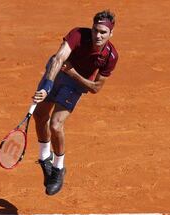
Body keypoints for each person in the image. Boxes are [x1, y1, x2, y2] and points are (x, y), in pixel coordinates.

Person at [32, 10, 119, 196]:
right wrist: (47, 86)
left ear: (111, 34)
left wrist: (73, 74)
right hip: (56, 74)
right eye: (96, 30)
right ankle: (44, 158)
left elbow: (95, 88)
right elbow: (58, 59)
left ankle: (58, 168)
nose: (98, 35)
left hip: (76, 84)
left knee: (55, 125)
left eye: (103, 32)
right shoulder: (78, 34)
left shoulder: (111, 57)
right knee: (39, 116)